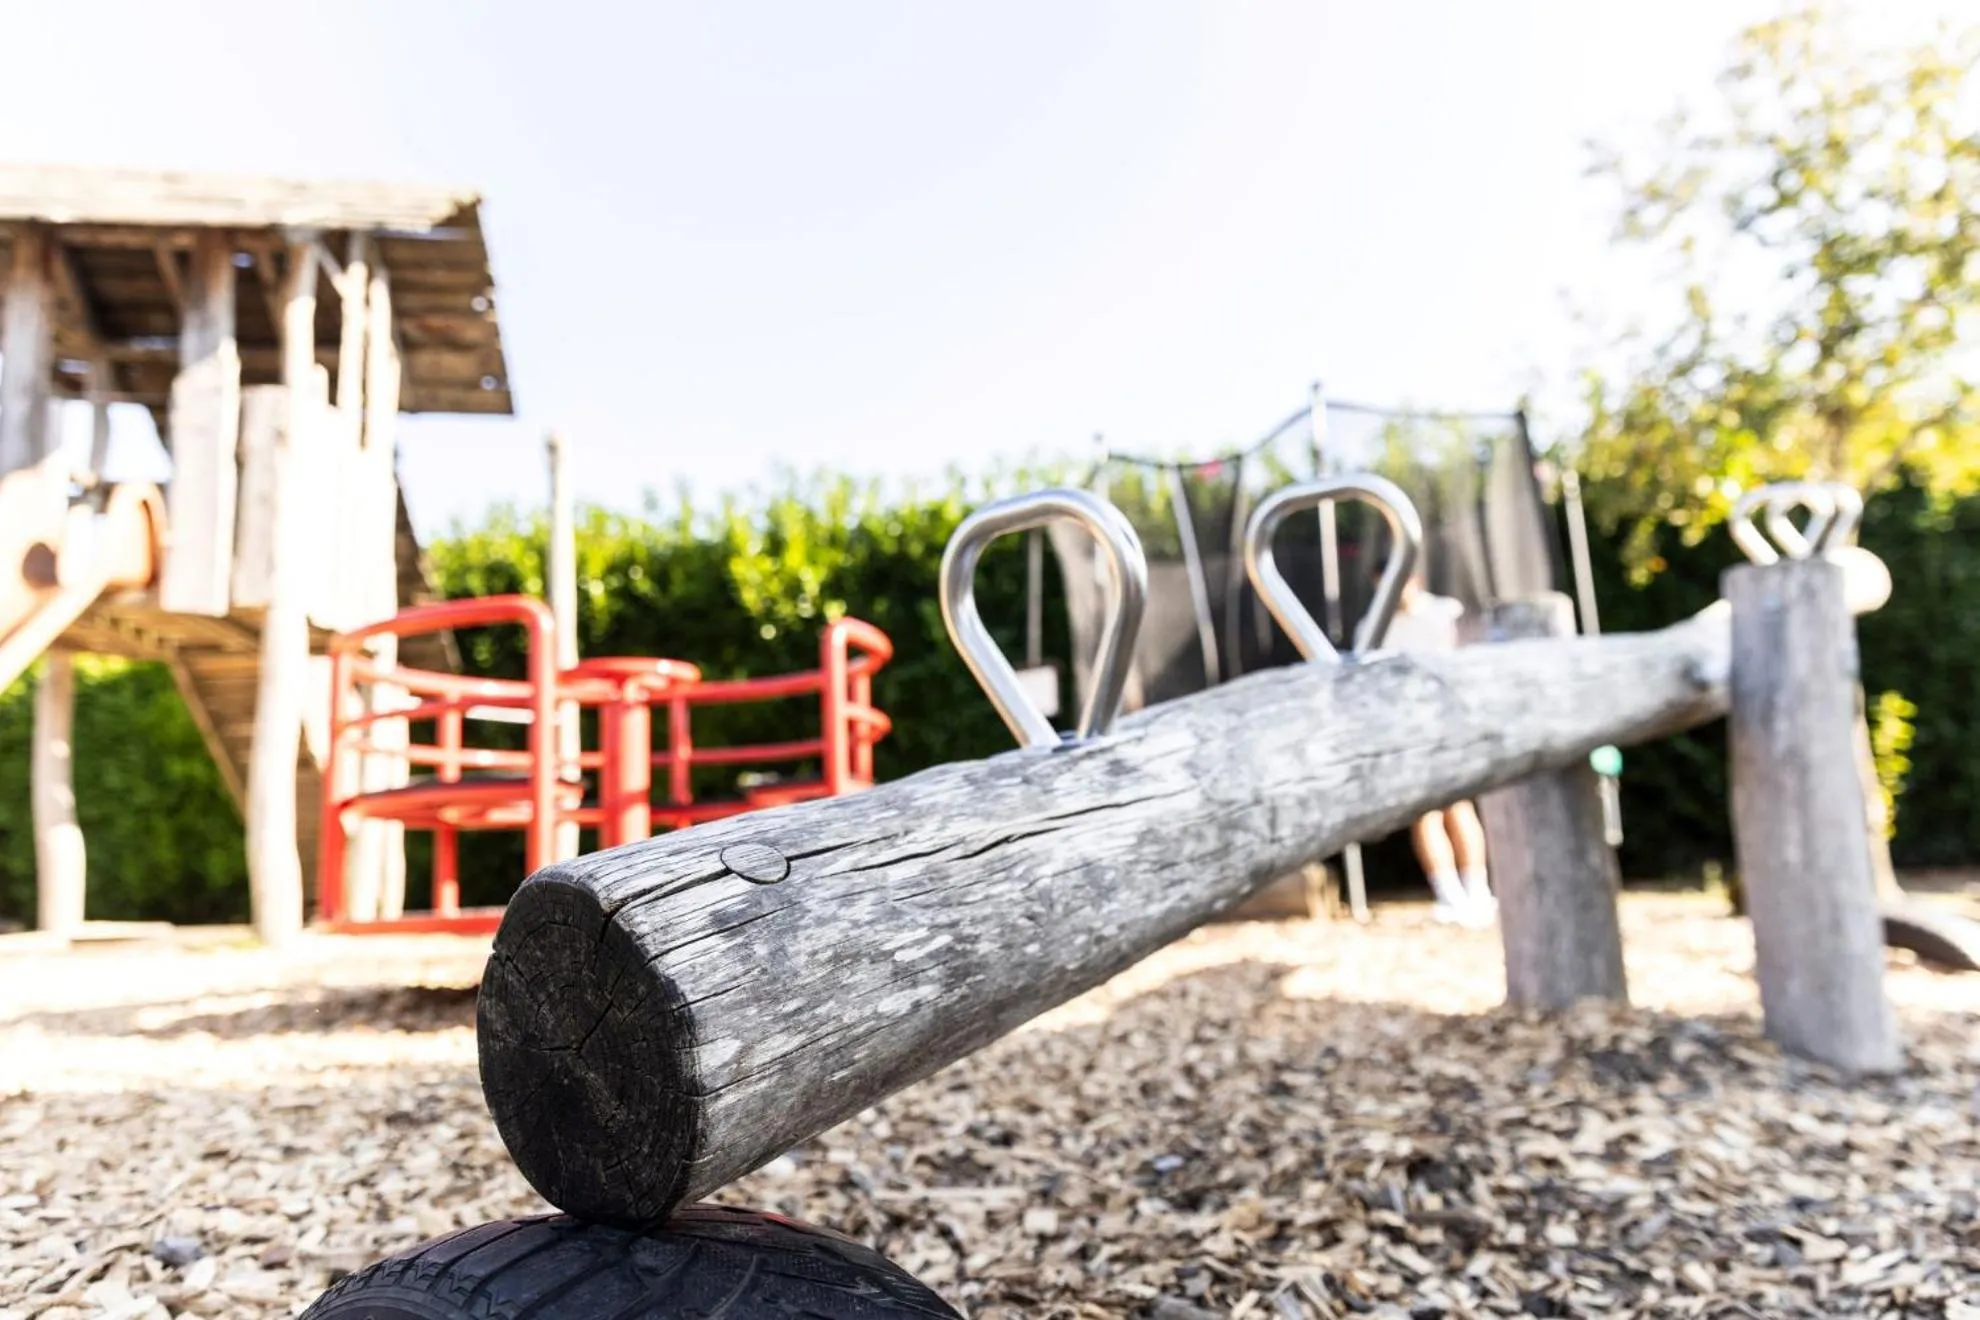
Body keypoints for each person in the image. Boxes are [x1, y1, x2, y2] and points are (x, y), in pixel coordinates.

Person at [1381, 569, 1495, 927]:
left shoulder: (1445, 613)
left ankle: (1477, 890)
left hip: (1450, 725)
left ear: (1413, 580)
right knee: (1425, 813)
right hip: (1409, 734)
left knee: (1458, 806)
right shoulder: (1375, 625)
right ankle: (1449, 896)